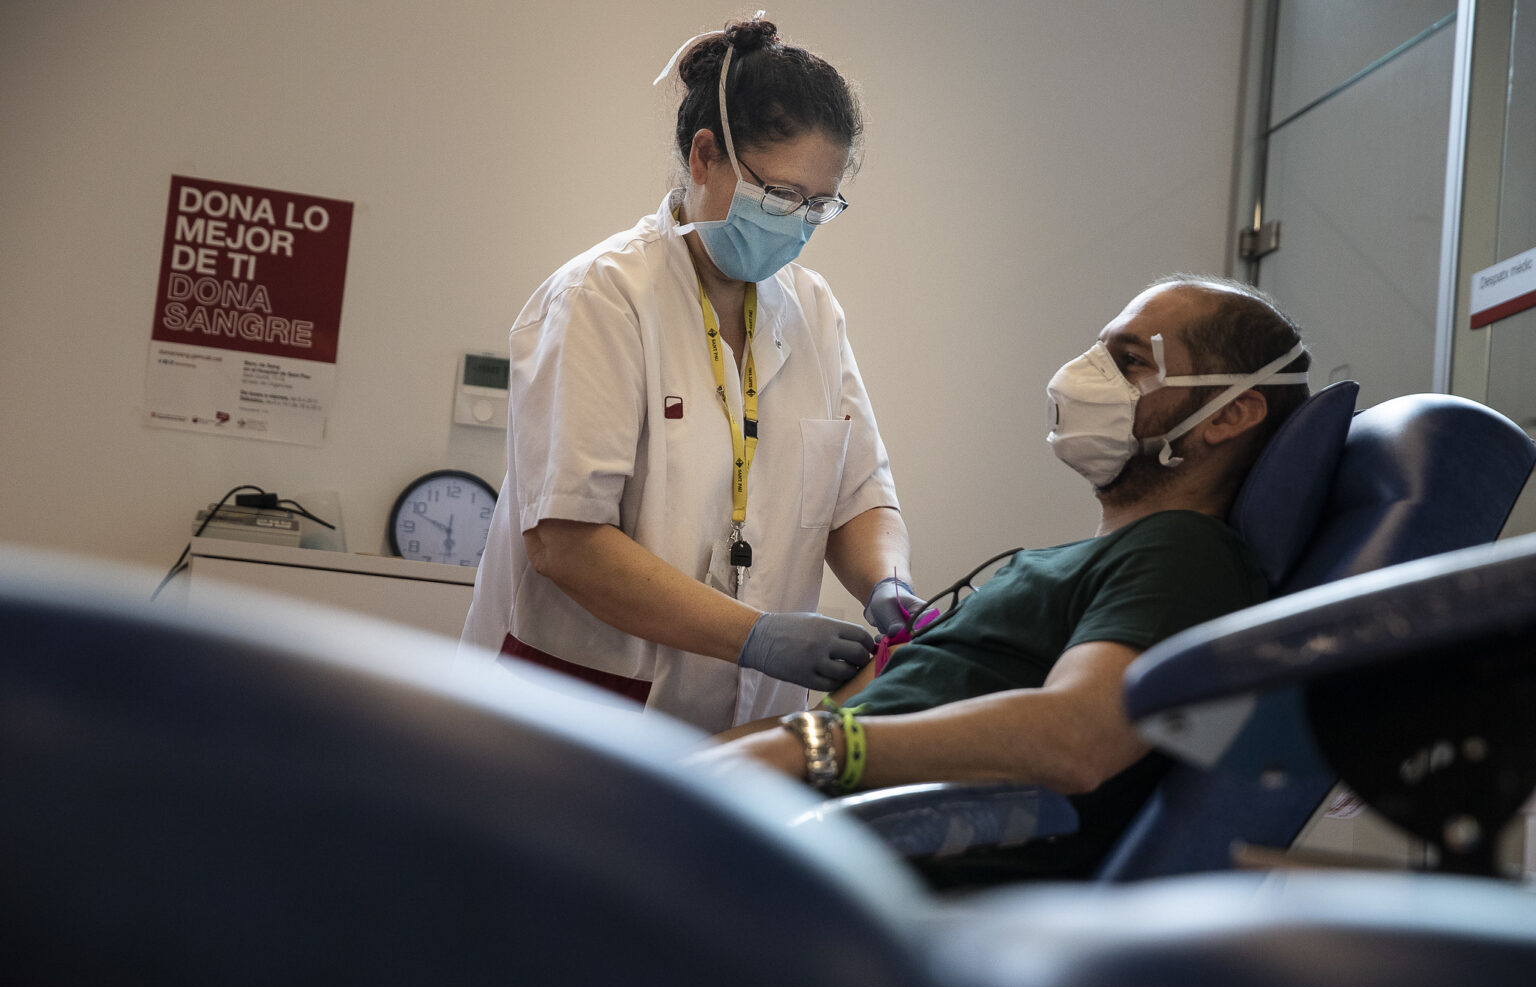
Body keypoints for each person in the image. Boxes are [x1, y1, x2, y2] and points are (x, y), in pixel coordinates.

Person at [699, 274, 1312, 878]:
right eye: (1100, 349)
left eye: (1128, 361)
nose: (1086, 372)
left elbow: (1077, 740)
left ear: (1229, 416)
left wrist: (814, 748)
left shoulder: (1184, 552)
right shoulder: (1073, 564)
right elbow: (851, 712)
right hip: (783, 832)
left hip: (841, 873)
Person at [459, 17, 922, 734]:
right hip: (586, 708)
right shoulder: (603, 297)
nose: (797, 226)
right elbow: (564, 541)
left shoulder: (813, 311)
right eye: (779, 198)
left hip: (750, 726)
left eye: (818, 206)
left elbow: (859, 497)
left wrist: (889, 582)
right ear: (706, 156)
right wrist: (754, 636)